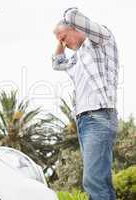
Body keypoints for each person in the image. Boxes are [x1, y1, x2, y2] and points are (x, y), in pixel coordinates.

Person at [52, 7, 119, 200]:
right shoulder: (77, 59)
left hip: (99, 116)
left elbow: (73, 14)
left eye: (64, 37)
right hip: (85, 121)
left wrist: (65, 21)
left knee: (94, 181)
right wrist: (60, 40)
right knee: (98, 180)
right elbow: (57, 63)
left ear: (75, 28)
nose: (63, 43)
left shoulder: (100, 41)